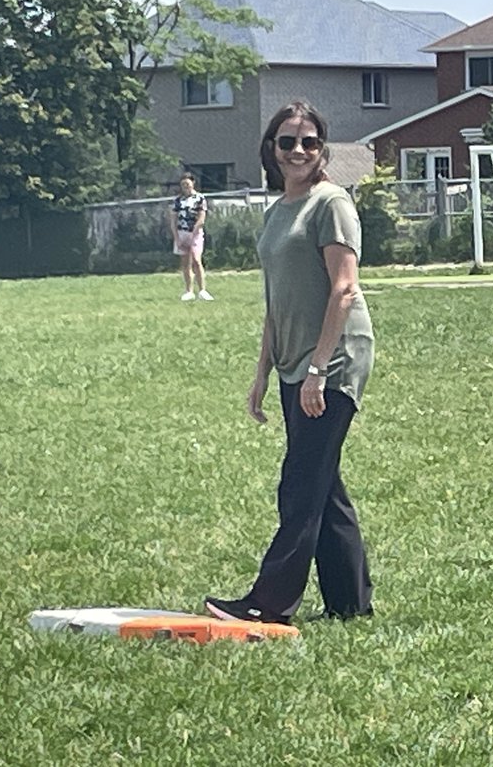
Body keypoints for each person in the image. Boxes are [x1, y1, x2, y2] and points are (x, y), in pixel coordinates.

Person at [205, 101, 375, 625]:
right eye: (287, 142)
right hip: (293, 358)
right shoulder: (279, 210)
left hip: (335, 357)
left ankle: (269, 602)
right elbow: (276, 300)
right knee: (322, 480)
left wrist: (319, 370)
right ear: (271, 149)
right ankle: (350, 603)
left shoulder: (332, 203)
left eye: (309, 141)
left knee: (300, 482)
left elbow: (344, 289)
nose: (298, 151)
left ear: (323, 149)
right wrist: (263, 372)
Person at [170, 172, 213, 301]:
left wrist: (194, 233)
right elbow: (173, 220)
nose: (185, 187)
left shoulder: (199, 198)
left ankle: (202, 290)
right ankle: (189, 291)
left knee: (196, 260)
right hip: (182, 232)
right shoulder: (178, 201)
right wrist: (177, 238)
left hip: (195, 233)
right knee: (185, 262)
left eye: (187, 184)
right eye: (183, 185)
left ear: (193, 183)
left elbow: (201, 218)